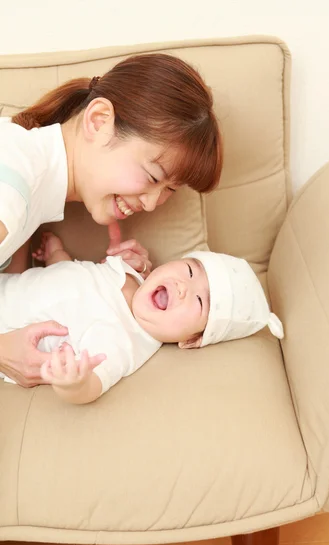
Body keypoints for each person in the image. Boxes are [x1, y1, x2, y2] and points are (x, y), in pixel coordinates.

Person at [0, 52, 222, 387]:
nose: (150, 204)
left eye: (169, 190)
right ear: (99, 120)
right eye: (151, 176)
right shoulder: (13, 176)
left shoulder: (32, 181)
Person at [0, 232, 284, 404]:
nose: (184, 287)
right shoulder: (130, 271)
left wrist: (73, 384)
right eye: (189, 270)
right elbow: (76, 281)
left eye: (200, 301)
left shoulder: (125, 343)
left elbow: (92, 386)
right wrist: (57, 256)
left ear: (192, 340)